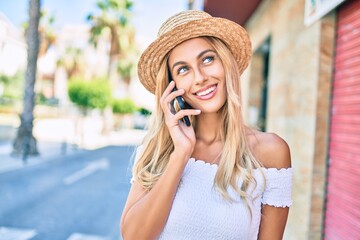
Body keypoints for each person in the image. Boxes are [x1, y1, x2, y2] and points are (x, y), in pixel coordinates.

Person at [120, 10, 292, 240]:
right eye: (183, 69)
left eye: (208, 59)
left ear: (226, 63)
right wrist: (180, 154)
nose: (199, 77)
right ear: (172, 87)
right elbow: (133, 236)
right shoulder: (156, 150)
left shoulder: (271, 152)